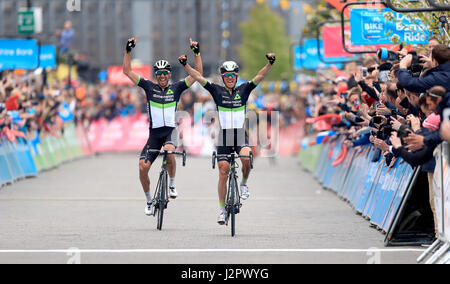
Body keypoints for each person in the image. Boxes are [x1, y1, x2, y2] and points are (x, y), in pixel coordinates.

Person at [179, 52, 276, 224]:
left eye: (233, 75)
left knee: (246, 157)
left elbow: (260, 76)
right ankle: (222, 210)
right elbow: (198, 77)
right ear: (223, 77)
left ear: (236, 77)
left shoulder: (244, 89)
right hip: (223, 136)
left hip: (239, 134)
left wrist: (270, 63)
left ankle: (244, 183)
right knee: (223, 172)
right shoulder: (216, 90)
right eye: (227, 76)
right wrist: (187, 63)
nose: (230, 78)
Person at [123, 37, 203, 216]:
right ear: (155, 75)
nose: (162, 77)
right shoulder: (149, 87)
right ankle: (149, 201)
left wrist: (196, 53)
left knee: (168, 150)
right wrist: (128, 50)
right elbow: (127, 71)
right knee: (143, 167)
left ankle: (172, 184)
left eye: (165, 74)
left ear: (169, 75)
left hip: (170, 132)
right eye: (159, 74)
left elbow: (198, 74)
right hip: (154, 135)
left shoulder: (176, 88)